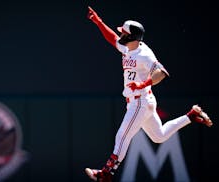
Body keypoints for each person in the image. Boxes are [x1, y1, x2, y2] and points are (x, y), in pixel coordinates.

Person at [85, 6, 213, 182]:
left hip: (140, 101)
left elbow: (162, 72)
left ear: (130, 36)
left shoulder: (144, 54)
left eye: (123, 32)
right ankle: (191, 116)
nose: (120, 34)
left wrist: (143, 83)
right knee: (158, 136)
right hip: (142, 100)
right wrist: (98, 22)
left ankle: (106, 174)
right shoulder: (128, 47)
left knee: (122, 135)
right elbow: (112, 38)